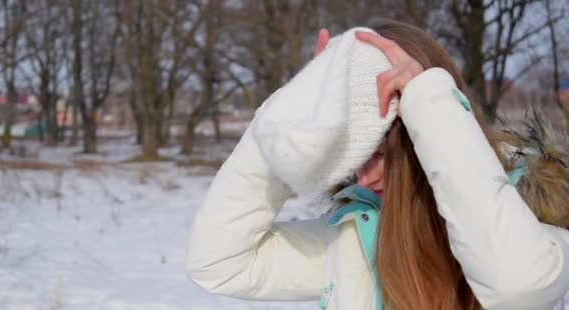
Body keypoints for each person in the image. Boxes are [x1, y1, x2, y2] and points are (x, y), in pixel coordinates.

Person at [184, 19, 569, 309]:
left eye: (382, 154)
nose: (363, 179)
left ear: (428, 134)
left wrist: (428, 99)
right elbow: (220, 263)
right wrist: (285, 115)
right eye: (355, 157)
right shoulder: (357, 234)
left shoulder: (533, 217)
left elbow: (518, 287)